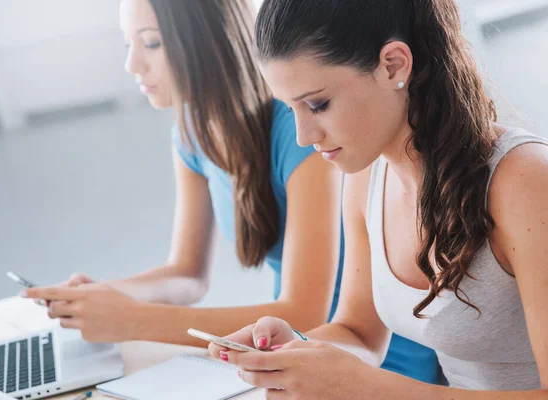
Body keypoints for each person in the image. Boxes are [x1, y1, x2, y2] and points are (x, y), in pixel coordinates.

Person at [208, 0, 548, 397]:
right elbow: (359, 332)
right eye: (291, 108)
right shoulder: (367, 173)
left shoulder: (524, 182)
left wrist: (371, 389)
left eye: (318, 104)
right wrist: (299, 352)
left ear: (393, 65)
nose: (303, 136)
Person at [21, 0, 344, 350]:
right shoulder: (192, 132)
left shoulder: (300, 130)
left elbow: (304, 313)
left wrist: (133, 319)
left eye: (152, 43)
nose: (132, 64)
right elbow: (187, 273)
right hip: (292, 352)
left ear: (207, 39)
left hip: (350, 351)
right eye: (128, 44)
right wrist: (105, 297)